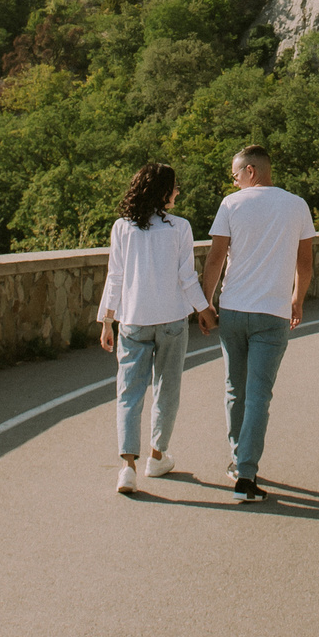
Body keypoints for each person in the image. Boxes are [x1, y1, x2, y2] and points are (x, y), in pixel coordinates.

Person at [200, 144, 316, 503]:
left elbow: (216, 258)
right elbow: (305, 263)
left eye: (236, 175)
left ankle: (238, 462)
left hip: (233, 310)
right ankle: (246, 474)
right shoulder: (296, 205)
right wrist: (297, 299)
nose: (233, 182)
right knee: (259, 395)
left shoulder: (231, 205)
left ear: (251, 171)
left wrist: (204, 305)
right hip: (272, 313)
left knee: (236, 389)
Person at [97, 162, 213, 495]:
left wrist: (107, 320)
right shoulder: (180, 227)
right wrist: (204, 310)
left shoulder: (122, 228)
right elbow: (186, 277)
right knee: (167, 388)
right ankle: (157, 456)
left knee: (129, 394)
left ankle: (127, 467)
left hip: (133, 320)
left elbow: (115, 276)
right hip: (172, 320)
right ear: (163, 191)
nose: (178, 192)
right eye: (174, 187)